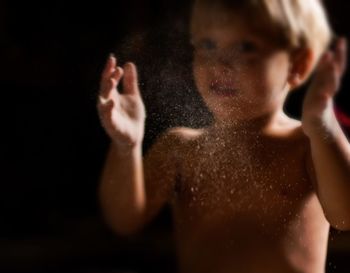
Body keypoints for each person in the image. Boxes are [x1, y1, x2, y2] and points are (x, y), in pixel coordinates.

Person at [97, 0, 350, 272]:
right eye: (207, 45)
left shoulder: (306, 144)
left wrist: (323, 125)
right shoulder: (181, 147)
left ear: (297, 65)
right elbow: (124, 220)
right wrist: (126, 146)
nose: (220, 63)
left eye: (245, 47)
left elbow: (345, 216)